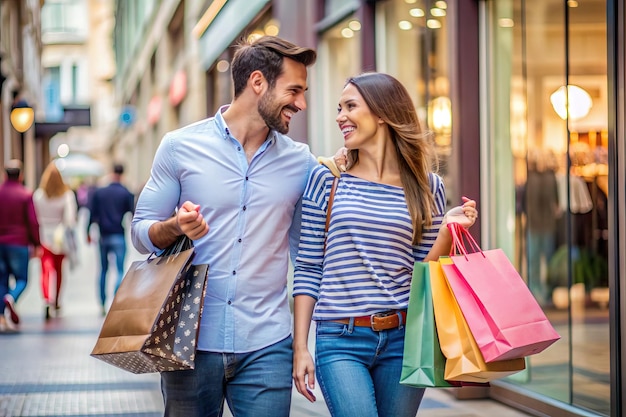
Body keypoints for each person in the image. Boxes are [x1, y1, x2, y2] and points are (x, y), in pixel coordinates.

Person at [131, 35, 317, 417]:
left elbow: (307, 257)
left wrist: (301, 345)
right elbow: (140, 231)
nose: (301, 104)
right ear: (258, 82)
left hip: (267, 342)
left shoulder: (301, 162)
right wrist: (176, 227)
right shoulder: (180, 146)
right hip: (190, 340)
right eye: (294, 90)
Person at [292, 72, 478, 417]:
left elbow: (424, 271)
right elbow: (308, 266)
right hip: (340, 338)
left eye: (350, 106)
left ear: (382, 113)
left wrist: (448, 232)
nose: (339, 117)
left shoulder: (427, 186)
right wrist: (300, 346)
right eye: (338, 108)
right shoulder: (327, 179)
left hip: (405, 338)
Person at [33, 161, 78, 319]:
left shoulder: (38, 195)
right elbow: (70, 220)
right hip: (60, 238)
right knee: (59, 271)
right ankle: (57, 300)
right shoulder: (66, 195)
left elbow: (35, 217)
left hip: (43, 236)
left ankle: (46, 299)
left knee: (45, 270)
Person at [87, 163, 135, 314]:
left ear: (111, 172)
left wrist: (87, 231)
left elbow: (91, 214)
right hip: (118, 235)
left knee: (103, 270)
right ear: (123, 173)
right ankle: (116, 298)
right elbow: (133, 214)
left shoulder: (100, 192)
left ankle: (101, 303)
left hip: (103, 236)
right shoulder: (126, 192)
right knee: (120, 270)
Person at [0, 160, 41, 332]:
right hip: (19, 243)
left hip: (1, 244)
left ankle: (2, 319)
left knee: (1, 279)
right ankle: (12, 297)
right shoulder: (25, 194)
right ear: (21, 175)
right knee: (22, 279)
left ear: (5, 174)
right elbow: (32, 222)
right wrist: (37, 243)